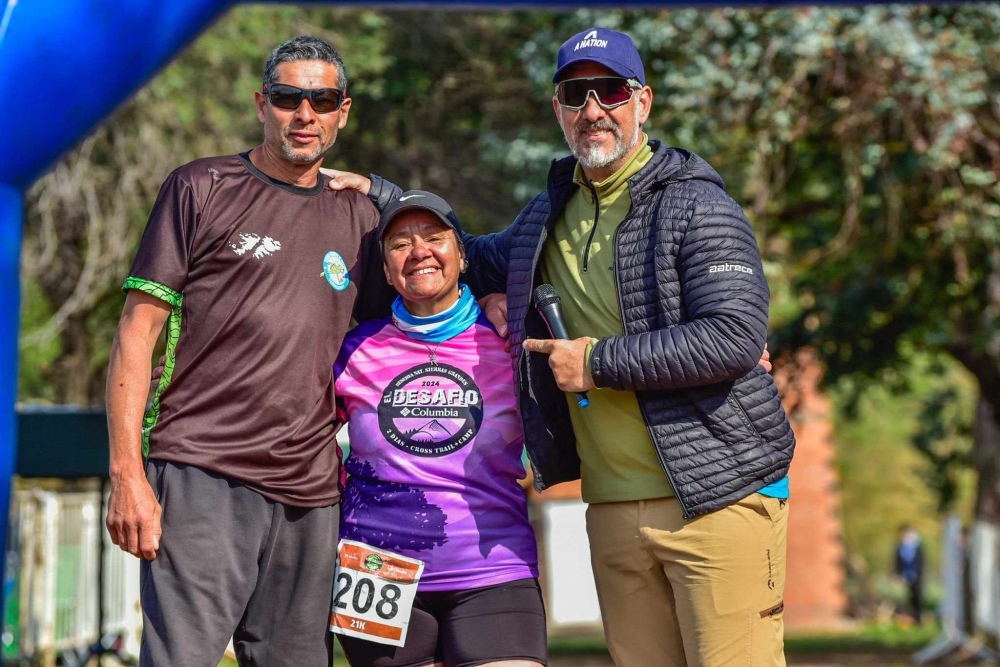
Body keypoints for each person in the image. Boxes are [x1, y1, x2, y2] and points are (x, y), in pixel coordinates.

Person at [331, 25, 795, 667]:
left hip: (718, 494)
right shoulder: (549, 212)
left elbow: (735, 336)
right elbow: (463, 256)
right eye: (575, 95)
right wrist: (387, 199)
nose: (593, 109)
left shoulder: (696, 205)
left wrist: (596, 363)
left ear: (643, 102)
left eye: (610, 90)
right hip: (611, 507)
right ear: (558, 110)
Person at [105, 36, 393, 666]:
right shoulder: (201, 187)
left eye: (322, 100)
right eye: (290, 98)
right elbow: (135, 334)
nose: (305, 114)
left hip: (312, 491)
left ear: (344, 110)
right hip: (201, 472)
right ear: (263, 104)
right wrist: (128, 474)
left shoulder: (364, 220)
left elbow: (407, 326)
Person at [332, 191, 545, 667]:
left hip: (493, 567)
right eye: (400, 244)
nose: (419, 251)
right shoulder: (354, 349)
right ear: (386, 271)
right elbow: (298, 436)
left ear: (462, 254)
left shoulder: (510, 340)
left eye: (434, 237)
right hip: (375, 571)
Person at [895, 525, 924, 624]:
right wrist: (898, 574)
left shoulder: (918, 547)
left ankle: (918, 618)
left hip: (916, 576)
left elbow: (921, 562)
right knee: (907, 598)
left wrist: (919, 575)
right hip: (905, 575)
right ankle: (908, 617)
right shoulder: (900, 547)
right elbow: (897, 562)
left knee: (917, 597)